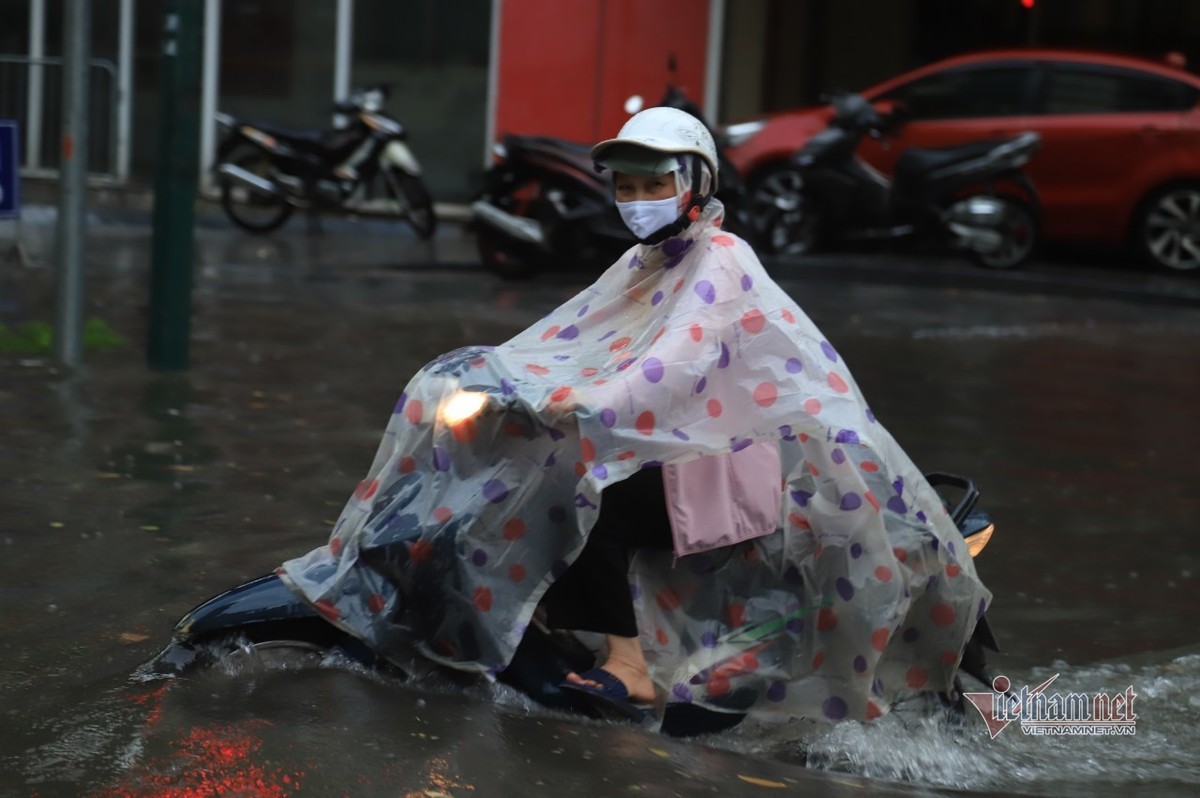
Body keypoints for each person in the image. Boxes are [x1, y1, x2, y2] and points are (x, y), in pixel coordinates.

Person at [279, 107, 992, 728]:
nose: (639, 197)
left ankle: (632, 665)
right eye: (628, 184)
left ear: (696, 185)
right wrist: (498, 385)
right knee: (529, 475)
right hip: (692, 454)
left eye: (657, 182)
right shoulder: (646, 260)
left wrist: (584, 404)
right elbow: (563, 337)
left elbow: (671, 365)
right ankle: (555, 627)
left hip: (764, 473)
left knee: (598, 496)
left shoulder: (722, 262)